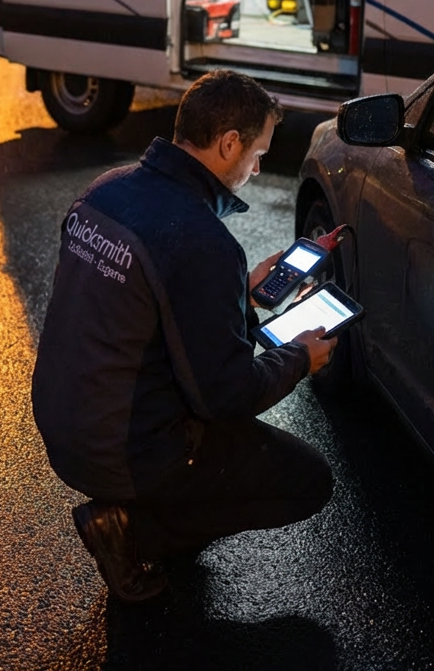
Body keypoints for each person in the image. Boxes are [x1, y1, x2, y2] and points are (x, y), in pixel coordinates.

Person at [31, 69, 335, 602]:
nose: (260, 168)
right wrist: (298, 358)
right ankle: (133, 530)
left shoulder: (106, 191)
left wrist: (237, 293)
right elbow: (225, 395)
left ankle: (146, 509)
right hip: (123, 450)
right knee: (308, 481)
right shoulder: (200, 241)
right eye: (258, 153)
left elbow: (146, 305)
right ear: (228, 144)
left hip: (63, 423)